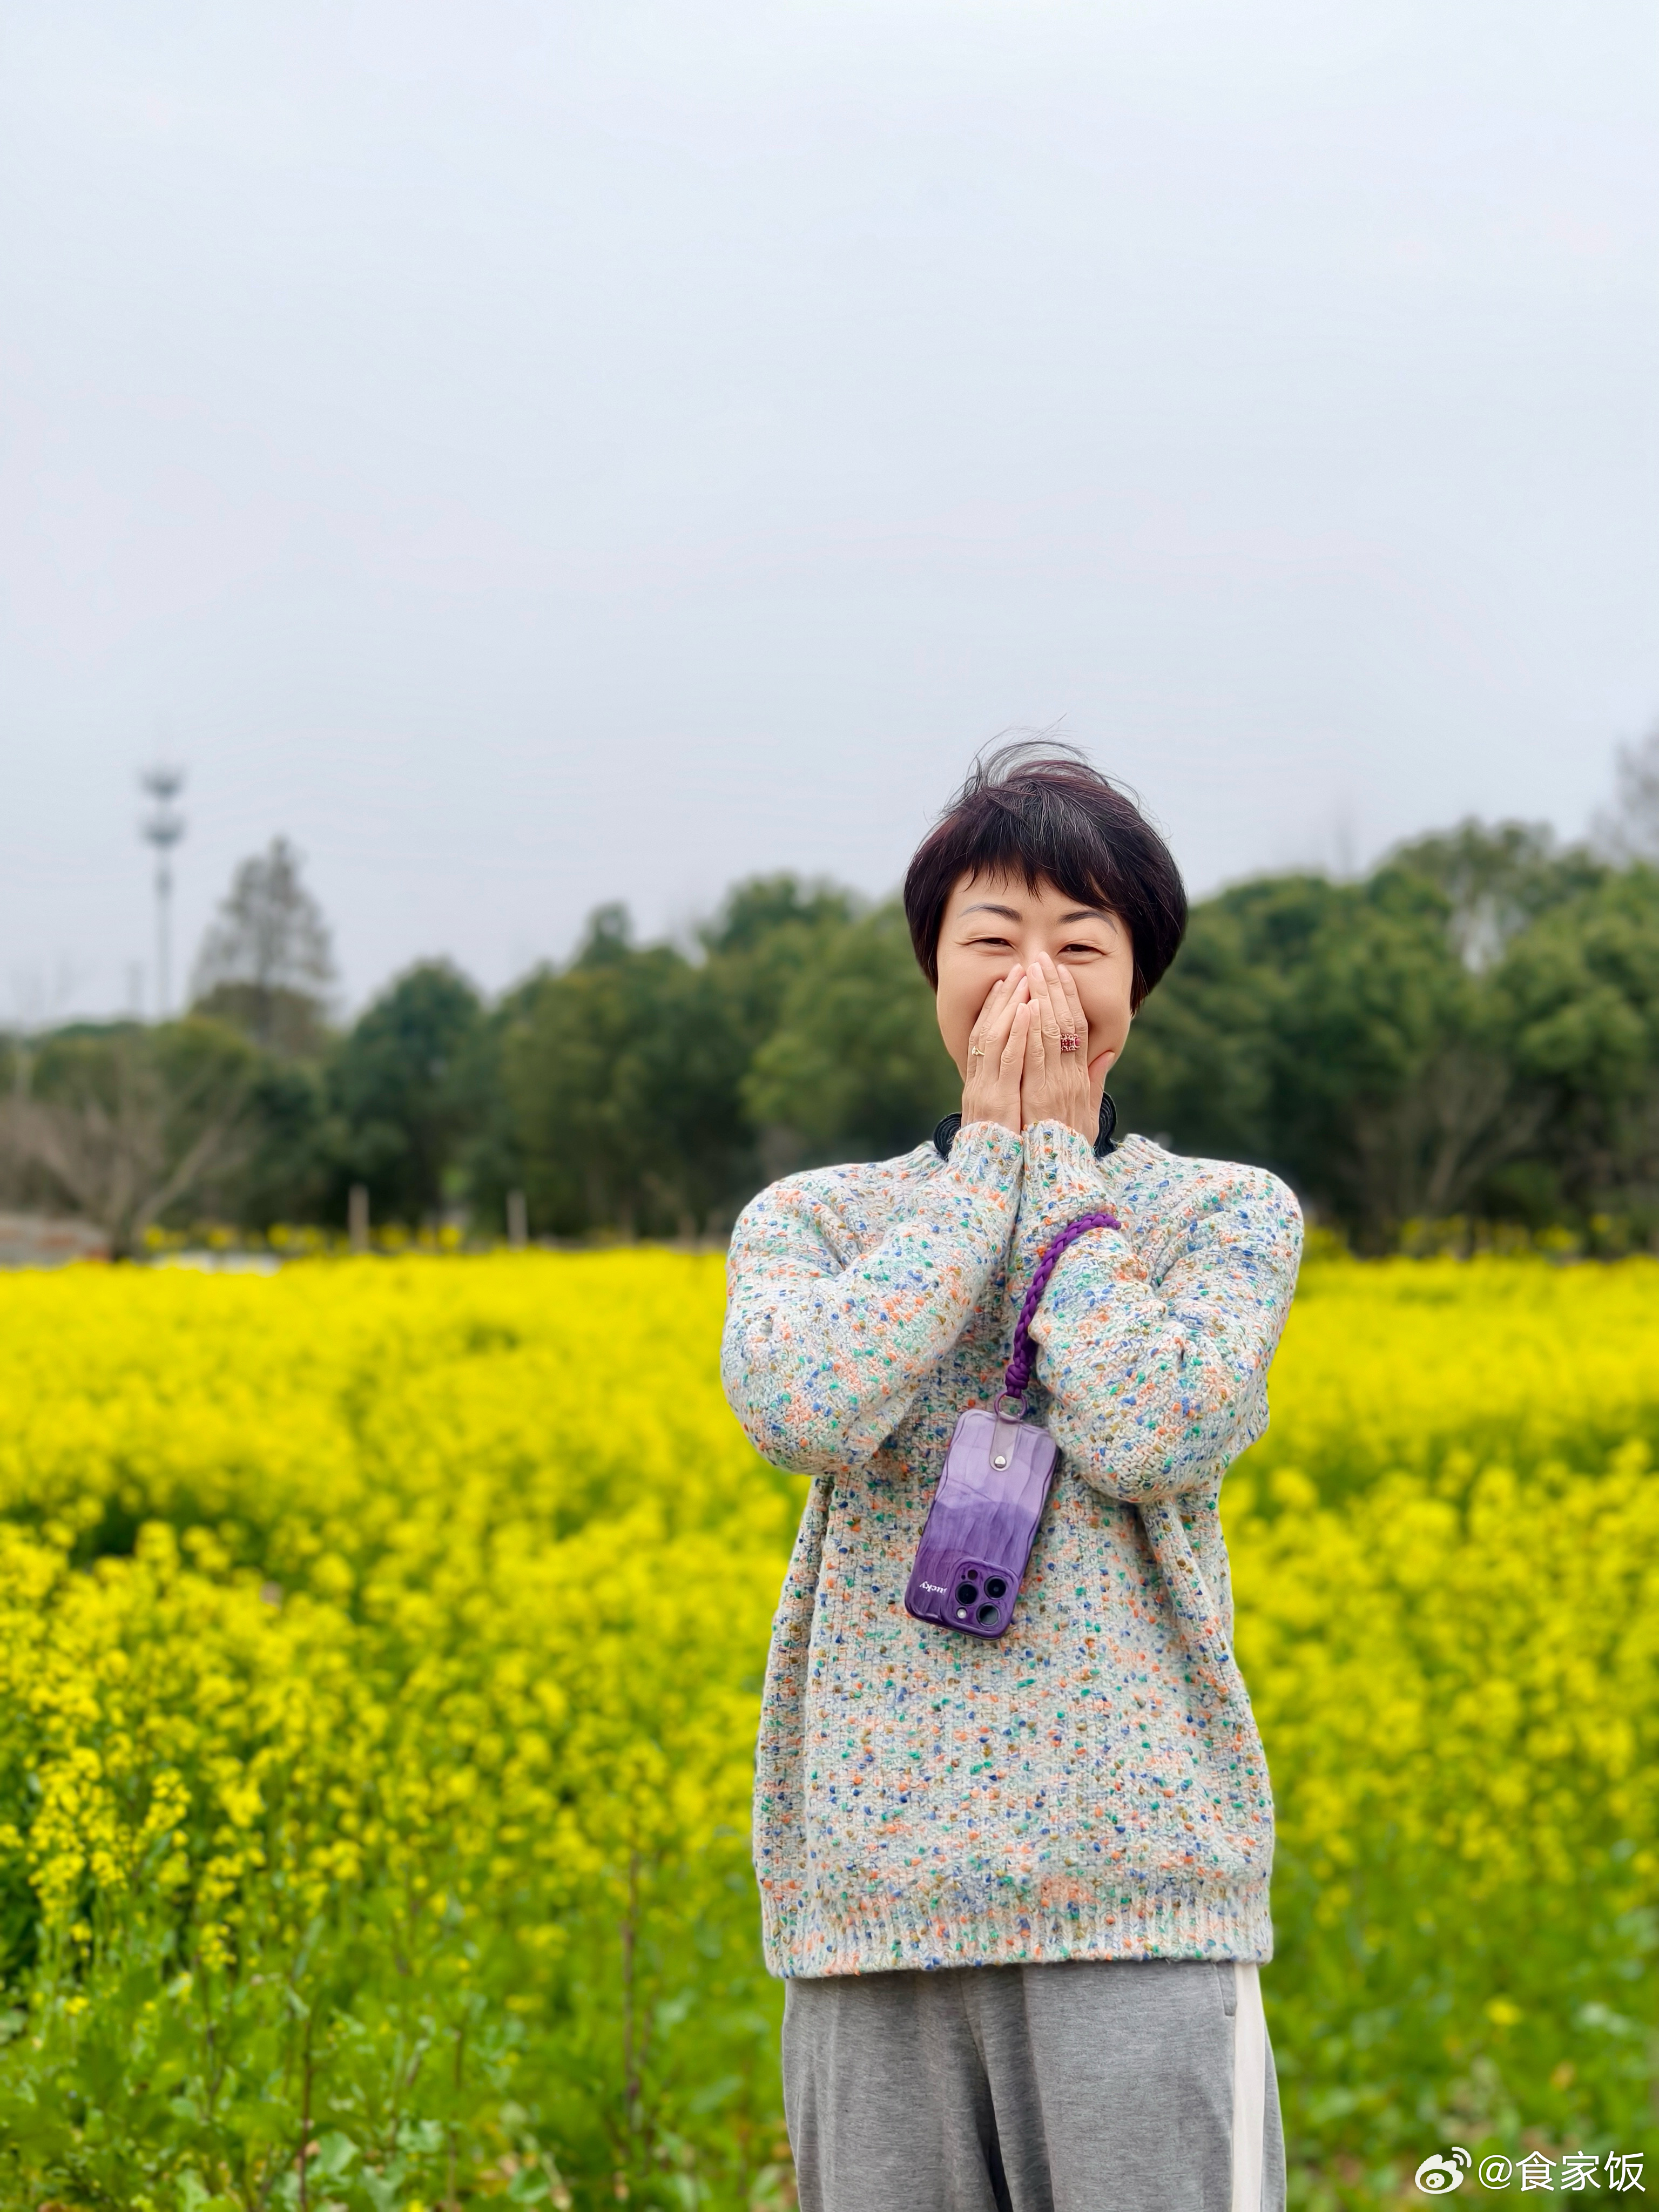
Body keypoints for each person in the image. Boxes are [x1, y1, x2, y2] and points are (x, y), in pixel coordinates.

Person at [721, 744, 1303, 2212]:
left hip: (1145, 1909)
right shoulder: (819, 1221)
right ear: (932, 971)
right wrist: (986, 1165)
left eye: (1080, 944)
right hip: (876, 1917)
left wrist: (1060, 1175)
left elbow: (1153, 1427)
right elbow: (810, 1405)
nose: (1031, 979)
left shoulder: (1219, 1217)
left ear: (1139, 986)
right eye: (991, 940)